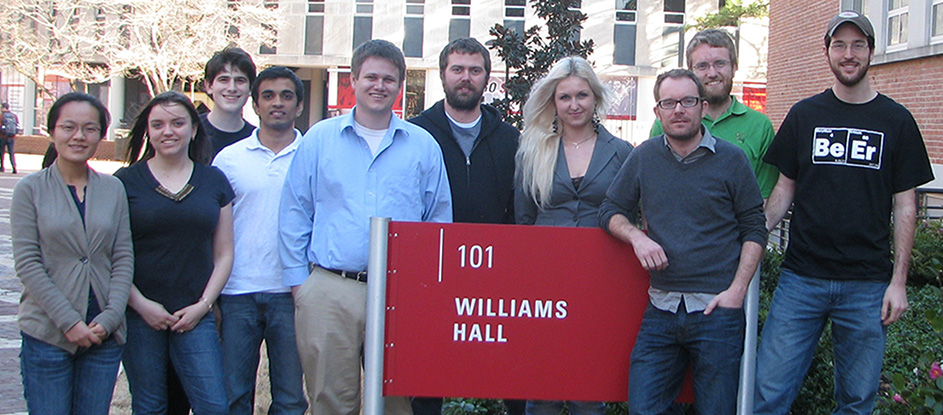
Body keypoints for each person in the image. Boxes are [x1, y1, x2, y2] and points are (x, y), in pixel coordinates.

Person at [754, 11, 934, 415]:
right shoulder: (804, 115)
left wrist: (899, 282)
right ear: (827, 52)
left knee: (856, 401)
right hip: (801, 278)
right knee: (768, 393)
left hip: (867, 284)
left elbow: (906, 205)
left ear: (871, 51)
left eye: (857, 45)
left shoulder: (897, 121)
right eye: (839, 45)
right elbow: (784, 190)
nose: (848, 54)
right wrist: (754, 235)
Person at [279, 39, 452, 415]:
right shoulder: (320, 139)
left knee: (396, 402)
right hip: (331, 289)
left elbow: (438, 220)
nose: (379, 85)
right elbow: (295, 210)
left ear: (400, 85)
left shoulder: (423, 146)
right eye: (371, 77)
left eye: (389, 79)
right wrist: (300, 285)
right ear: (353, 80)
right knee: (330, 400)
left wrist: (424, 290)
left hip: (400, 290)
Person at [598, 69, 765, 415]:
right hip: (662, 308)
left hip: (718, 310)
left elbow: (754, 228)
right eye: (669, 103)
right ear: (657, 111)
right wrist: (637, 238)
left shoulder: (732, 160)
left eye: (687, 101)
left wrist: (736, 292)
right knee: (643, 408)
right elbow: (610, 210)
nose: (678, 110)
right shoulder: (644, 157)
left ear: (703, 107)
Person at [408, 37, 521, 415]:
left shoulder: (509, 139)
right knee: (428, 374)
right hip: (433, 270)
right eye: (457, 69)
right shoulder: (415, 135)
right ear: (443, 74)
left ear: (487, 77)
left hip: (496, 271)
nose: (466, 78)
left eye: (475, 70)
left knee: (510, 371)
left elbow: (518, 207)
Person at [516, 56, 633, 415]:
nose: (574, 104)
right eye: (564, 97)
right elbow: (524, 219)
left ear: (595, 97)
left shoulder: (622, 153)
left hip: (600, 280)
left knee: (589, 386)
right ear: (553, 102)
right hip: (545, 281)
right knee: (544, 385)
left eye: (582, 95)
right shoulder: (533, 151)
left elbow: (630, 215)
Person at [12, 92, 133, 415]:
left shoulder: (113, 188)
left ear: (100, 135)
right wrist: (69, 322)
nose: (79, 136)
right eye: (69, 127)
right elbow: (28, 263)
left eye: (90, 129)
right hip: (48, 333)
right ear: (52, 131)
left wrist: (110, 317)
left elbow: (122, 256)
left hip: (103, 335)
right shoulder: (30, 189)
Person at [115, 91, 234, 415]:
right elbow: (113, 254)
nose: (168, 131)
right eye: (158, 125)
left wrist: (203, 305)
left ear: (193, 129)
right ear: (148, 131)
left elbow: (224, 253)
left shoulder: (213, 180)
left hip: (195, 314)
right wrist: (141, 304)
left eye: (177, 123)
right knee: (150, 406)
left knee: (214, 405)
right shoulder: (125, 182)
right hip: (140, 315)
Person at [212, 66, 308, 415]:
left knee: (290, 399)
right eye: (268, 96)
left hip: (292, 291)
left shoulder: (313, 154)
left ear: (299, 105)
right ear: (255, 105)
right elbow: (214, 228)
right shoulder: (229, 159)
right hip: (237, 292)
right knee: (233, 396)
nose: (277, 103)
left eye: (286, 96)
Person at [650, 29, 777, 199]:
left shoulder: (759, 126)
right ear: (691, 71)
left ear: (734, 67)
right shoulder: (668, 123)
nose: (712, 73)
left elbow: (763, 197)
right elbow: (652, 189)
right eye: (702, 66)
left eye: (720, 63)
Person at [202, 47, 257, 158]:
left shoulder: (257, 140)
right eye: (224, 80)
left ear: (251, 88)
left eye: (240, 80)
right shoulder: (190, 132)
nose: (232, 88)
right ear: (209, 86)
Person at [2, 102, 19, 173]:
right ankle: (14, 167)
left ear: (3, 108)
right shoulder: (14, 116)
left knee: (1, 153)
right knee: (11, 153)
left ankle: (1, 167)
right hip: (12, 137)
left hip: (2, 137)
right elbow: (17, 125)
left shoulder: (1, 116)